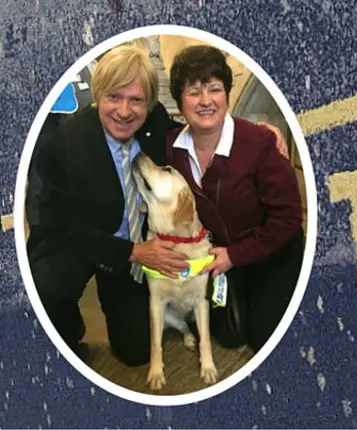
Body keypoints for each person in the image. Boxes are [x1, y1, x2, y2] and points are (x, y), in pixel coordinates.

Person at [27, 43, 289, 366]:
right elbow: (60, 228)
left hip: (146, 249)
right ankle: (65, 338)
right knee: (46, 286)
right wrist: (131, 253)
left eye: (136, 100)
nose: (124, 111)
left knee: (134, 353)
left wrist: (261, 128)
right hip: (89, 242)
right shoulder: (63, 146)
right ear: (98, 96)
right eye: (114, 97)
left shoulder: (155, 124)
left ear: (149, 103)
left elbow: (197, 129)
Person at [166, 45, 305, 353]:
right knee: (228, 336)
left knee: (263, 337)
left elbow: (288, 219)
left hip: (271, 248)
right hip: (219, 255)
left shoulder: (260, 142)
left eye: (214, 89)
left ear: (226, 94)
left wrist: (235, 255)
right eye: (194, 91)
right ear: (180, 100)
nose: (205, 101)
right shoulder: (171, 148)